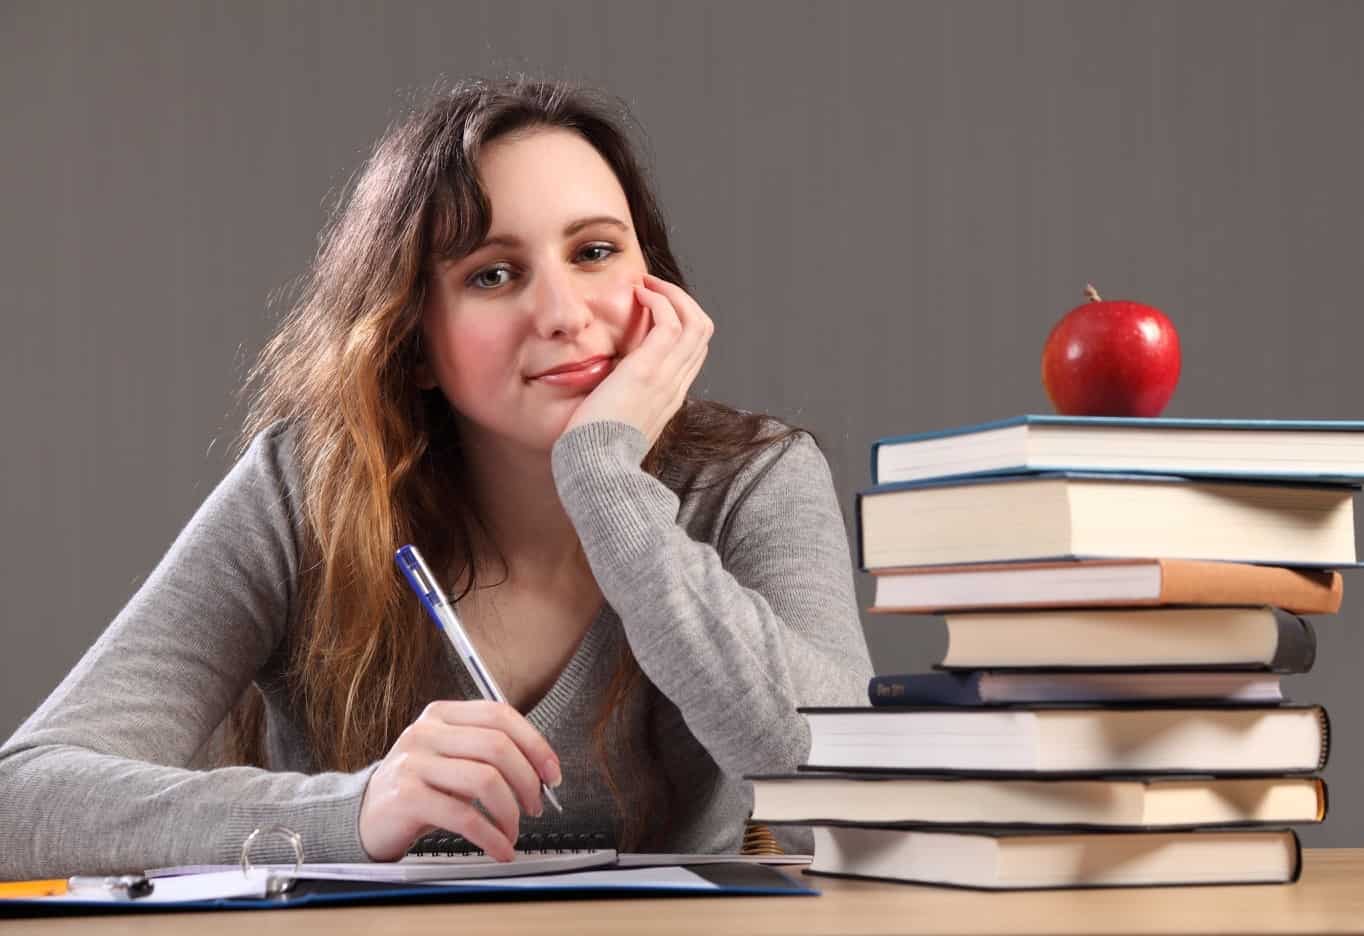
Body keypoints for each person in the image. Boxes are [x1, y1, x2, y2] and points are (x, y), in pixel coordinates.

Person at [0, 76, 873, 878]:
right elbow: (23, 801)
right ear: (413, 340)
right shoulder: (308, 492)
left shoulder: (752, 481)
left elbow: (851, 805)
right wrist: (360, 809)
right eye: (493, 274)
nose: (564, 314)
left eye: (597, 252)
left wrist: (606, 479)